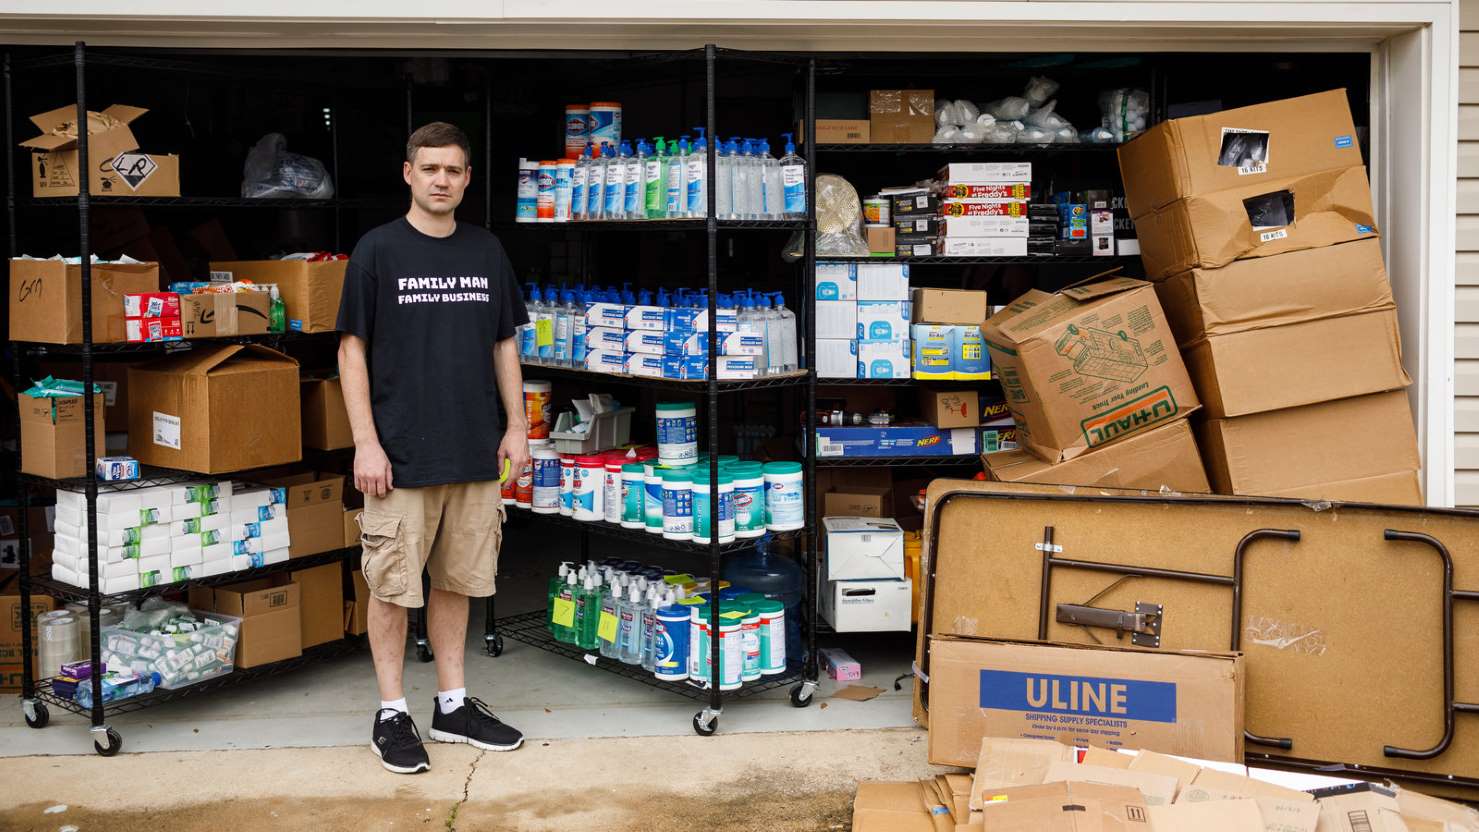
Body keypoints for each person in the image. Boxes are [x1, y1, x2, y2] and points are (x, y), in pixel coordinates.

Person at [337, 121, 531, 774]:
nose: (441, 179)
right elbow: (351, 350)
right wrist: (365, 442)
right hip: (398, 456)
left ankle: (452, 704)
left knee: (458, 579)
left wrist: (517, 426)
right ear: (408, 173)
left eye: (453, 170)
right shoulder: (377, 251)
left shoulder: (486, 251)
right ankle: (392, 712)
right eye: (430, 169)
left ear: (467, 178)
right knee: (392, 585)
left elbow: (505, 342)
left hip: (475, 449)